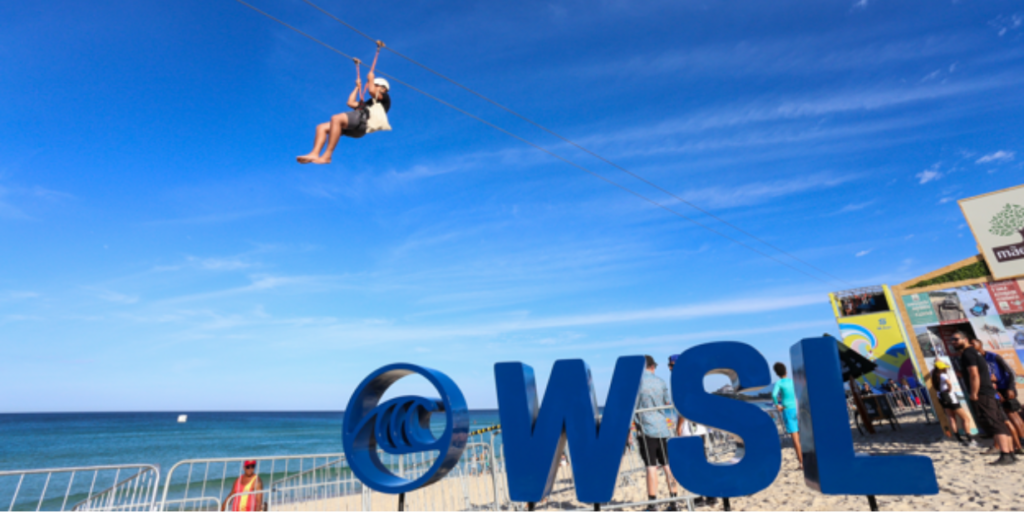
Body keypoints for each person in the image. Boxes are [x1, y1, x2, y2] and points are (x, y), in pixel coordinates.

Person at [296, 66, 391, 165]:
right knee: (321, 127)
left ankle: (327, 156)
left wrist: (371, 78)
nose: (372, 86)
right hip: (356, 127)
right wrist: (357, 88)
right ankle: (314, 153)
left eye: (375, 85)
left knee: (336, 118)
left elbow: (371, 91)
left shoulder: (385, 98)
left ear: (382, 88)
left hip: (363, 123)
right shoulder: (368, 104)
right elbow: (350, 103)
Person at [953, 332, 1016, 465]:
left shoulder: (968, 354)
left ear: (965, 339)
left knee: (993, 422)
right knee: (999, 421)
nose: (953, 342)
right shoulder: (975, 354)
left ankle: (1005, 454)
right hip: (988, 392)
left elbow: (974, 375)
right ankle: (1009, 453)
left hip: (982, 393)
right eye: (952, 340)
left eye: (956, 339)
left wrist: (974, 393)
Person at [668, 354, 718, 508]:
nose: (669, 368)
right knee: (702, 462)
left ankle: (702, 495)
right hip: (699, 427)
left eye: (670, 365)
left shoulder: (680, 382)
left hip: (690, 429)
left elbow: (684, 407)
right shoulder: (691, 380)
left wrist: (678, 426)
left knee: (694, 464)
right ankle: (709, 495)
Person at [635, 355, 681, 511]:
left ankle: (653, 503)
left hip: (646, 429)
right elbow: (667, 402)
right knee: (668, 466)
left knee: (651, 467)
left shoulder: (637, 384)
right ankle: (674, 501)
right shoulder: (661, 382)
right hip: (662, 427)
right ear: (652, 366)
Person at [971, 339, 1024, 454]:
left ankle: (1020, 443)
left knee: (1011, 416)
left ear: (980, 344)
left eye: (973, 343)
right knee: (1009, 416)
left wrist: (1011, 387)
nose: (971, 346)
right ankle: (1016, 444)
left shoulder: (993, 356)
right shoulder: (978, 360)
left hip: (1005, 388)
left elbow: (1010, 372)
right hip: (996, 389)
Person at [932, 360, 979, 447]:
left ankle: (959, 439)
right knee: (966, 418)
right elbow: (949, 382)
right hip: (951, 399)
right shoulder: (943, 375)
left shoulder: (935, 376)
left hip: (943, 399)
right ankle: (969, 437)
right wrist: (949, 389)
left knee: (951, 418)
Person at [771, 362, 803, 470]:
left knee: (795, 439)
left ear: (777, 374)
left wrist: (777, 405)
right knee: (804, 436)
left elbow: (774, 395)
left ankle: (802, 463)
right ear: (786, 371)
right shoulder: (793, 381)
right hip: (798, 409)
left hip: (788, 410)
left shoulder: (779, 383)